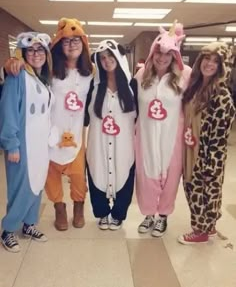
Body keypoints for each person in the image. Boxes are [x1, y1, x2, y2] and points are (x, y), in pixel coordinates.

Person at [5, 18, 94, 231]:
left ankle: (79, 207)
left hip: (76, 135)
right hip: (49, 134)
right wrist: (12, 63)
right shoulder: (49, 72)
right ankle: (59, 208)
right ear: (58, 45)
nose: (71, 45)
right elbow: (27, 75)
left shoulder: (91, 73)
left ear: (83, 44)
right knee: (50, 174)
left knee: (78, 175)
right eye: (66, 41)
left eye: (76, 40)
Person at [135, 21, 192, 237]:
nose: (162, 57)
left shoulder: (184, 74)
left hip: (172, 135)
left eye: (168, 54)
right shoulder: (141, 76)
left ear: (174, 56)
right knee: (146, 175)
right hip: (146, 135)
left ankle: (163, 216)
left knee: (170, 176)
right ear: (153, 53)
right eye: (159, 52)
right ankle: (149, 214)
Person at [178, 42, 235, 245]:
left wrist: (210, 164)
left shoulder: (221, 95)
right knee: (194, 189)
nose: (209, 64)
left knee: (203, 190)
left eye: (215, 61)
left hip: (207, 155)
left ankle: (201, 230)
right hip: (190, 147)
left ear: (222, 66)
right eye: (206, 58)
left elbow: (219, 138)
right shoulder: (195, 87)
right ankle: (208, 227)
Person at [0, 32, 52, 252]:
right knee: (20, 188)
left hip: (40, 145)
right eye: (30, 50)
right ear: (23, 53)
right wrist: (11, 144)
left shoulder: (42, 79)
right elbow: (8, 111)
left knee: (37, 184)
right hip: (22, 146)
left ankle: (29, 224)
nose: (36, 54)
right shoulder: (17, 76)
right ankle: (8, 230)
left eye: (40, 49)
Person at [85, 40, 137, 230]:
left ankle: (118, 213)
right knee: (97, 173)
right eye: (102, 58)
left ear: (119, 56)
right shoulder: (93, 86)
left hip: (124, 143)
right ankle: (102, 212)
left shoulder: (133, 85)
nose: (107, 61)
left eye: (110, 56)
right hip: (97, 142)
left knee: (124, 174)